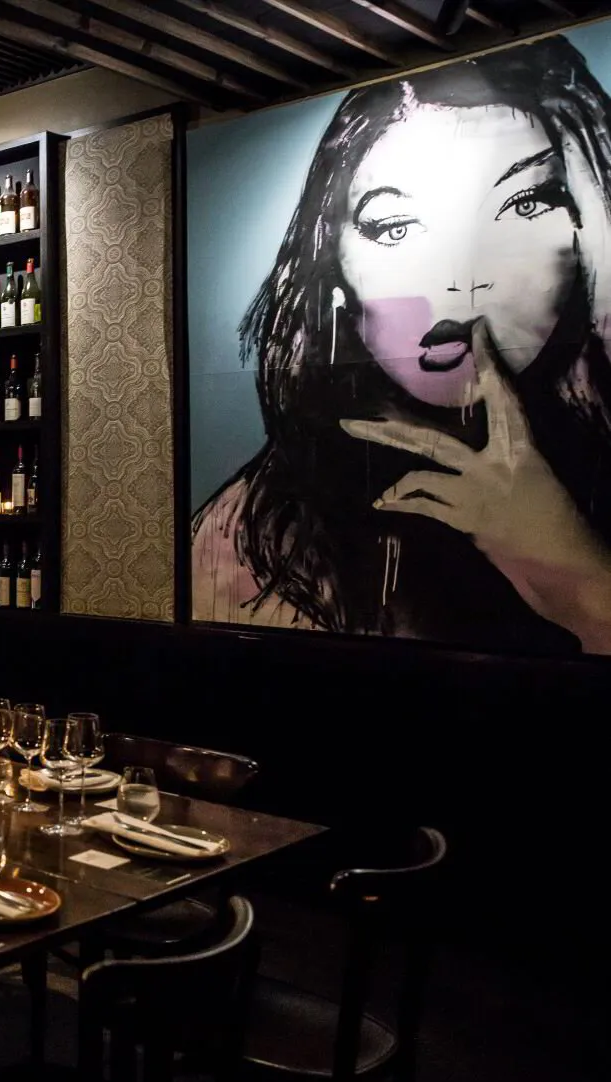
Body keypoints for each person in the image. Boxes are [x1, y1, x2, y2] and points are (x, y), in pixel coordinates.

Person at [193, 36, 611, 655]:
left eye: (525, 203)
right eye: (396, 226)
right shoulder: (257, 530)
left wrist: (564, 558)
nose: (462, 279)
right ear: (333, 272)